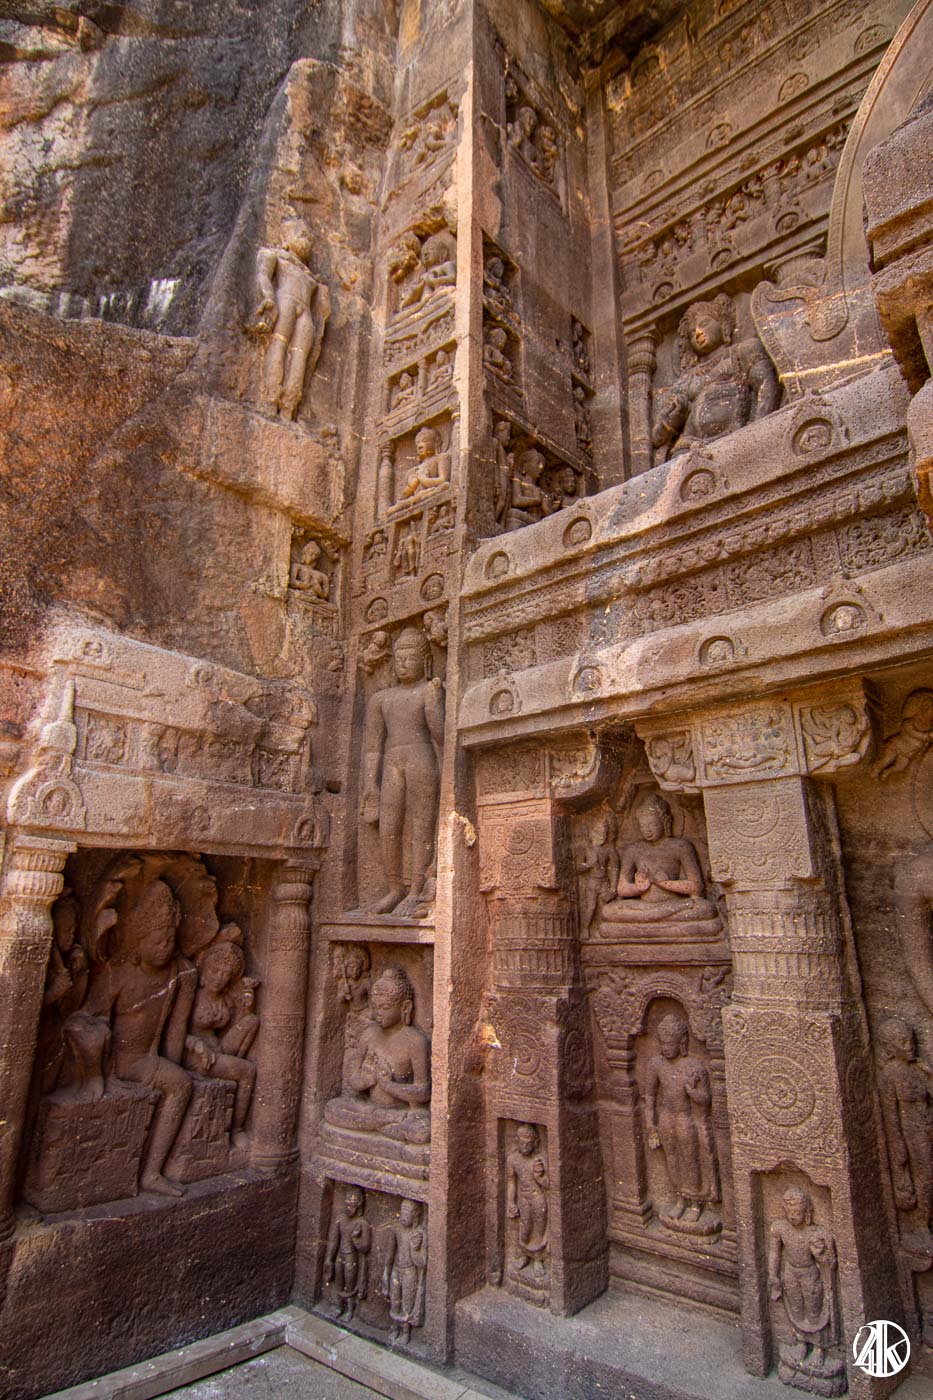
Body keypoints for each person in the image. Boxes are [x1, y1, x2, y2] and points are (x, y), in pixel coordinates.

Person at [82, 879, 197, 1196]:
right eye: (158, 939)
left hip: (149, 1059)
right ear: (139, 938)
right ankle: (151, 1173)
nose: (165, 945)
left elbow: (176, 1030)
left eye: (170, 938)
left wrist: (178, 1062)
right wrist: (96, 1059)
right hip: (123, 1059)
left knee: (179, 1079)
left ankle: (152, 1172)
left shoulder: (182, 973)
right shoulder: (120, 975)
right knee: (180, 1084)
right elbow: (86, 1017)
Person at [359, 629, 444, 916]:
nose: (404, 664)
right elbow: (373, 747)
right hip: (392, 762)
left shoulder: (428, 691)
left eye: (411, 658)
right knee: (389, 825)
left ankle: (417, 890)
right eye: (399, 659)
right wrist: (370, 785)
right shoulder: (381, 699)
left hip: (422, 758)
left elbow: (440, 735)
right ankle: (394, 889)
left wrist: (434, 701)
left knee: (422, 823)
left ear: (426, 661)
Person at [652, 293, 778, 461]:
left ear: (723, 324)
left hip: (735, 436)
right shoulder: (688, 378)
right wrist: (672, 419)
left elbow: (766, 383)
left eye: (704, 324)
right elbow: (657, 436)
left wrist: (758, 428)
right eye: (691, 333)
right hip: (688, 447)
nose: (698, 333)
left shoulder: (742, 353)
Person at [324, 966, 431, 1144]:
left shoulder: (415, 1041)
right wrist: (367, 1079)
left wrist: (388, 1085)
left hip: (403, 1111)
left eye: (385, 1007)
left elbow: (423, 1092)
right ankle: (383, 1122)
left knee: (422, 1132)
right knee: (332, 1108)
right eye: (375, 1007)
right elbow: (353, 1079)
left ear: (405, 1007)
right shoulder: (369, 1035)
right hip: (371, 1109)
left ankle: (379, 1123)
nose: (378, 1013)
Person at [601, 792, 721, 935]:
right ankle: (663, 927)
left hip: (674, 904)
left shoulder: (681, 846)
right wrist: (640, 887)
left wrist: (663, 883)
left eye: (652, 824)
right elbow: (622, 889)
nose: (647, 829)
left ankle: (645, 927)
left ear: (665, 822)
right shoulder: (633, 850)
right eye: (643, 825)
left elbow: (696, 887)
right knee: (609, 910)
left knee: (705, 908)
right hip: (643, 906)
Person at [184, 928, 258, 1152]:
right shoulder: (191, 996)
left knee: (252, 1021)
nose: (219, 978)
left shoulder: (224, 999)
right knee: (247, 1071)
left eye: (225, 974)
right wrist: (195, 1044)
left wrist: (247, 1006)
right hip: (196, 1055)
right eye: (215, 971)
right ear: (204, 969)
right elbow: (174, 1031)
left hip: (218, 1049)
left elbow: (235, 1027)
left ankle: (232, 1066)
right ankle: (237, 1129)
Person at [644, 1010, 720, 1228]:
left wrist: (692, 1092)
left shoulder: (693, 1067)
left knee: (690, 1159)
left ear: (682, 1042)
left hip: (685, 1119)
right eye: (662, 1043)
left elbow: (705, 1099)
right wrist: (651, 1127)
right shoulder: (656, 1064)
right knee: (672, 1159)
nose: (666, 1048)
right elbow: (649, 1096)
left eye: (670, 1043)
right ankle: (680, 1198)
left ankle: (695, 1203)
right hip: (666, 1118)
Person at [252, 222, 330, 421]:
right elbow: (262, 276)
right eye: (300, 233)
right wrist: (268, 298)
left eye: (309, 237)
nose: (306, 240)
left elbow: (322, 309)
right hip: (285, 301)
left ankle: (289, 407)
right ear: (285, 237)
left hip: (305, 313)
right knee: (279, 345)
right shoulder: (274, 255)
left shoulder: (308, 274)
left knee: (300, 357)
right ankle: (270, 400)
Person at [769, 1187, 841, 1380]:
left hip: (809, 1273)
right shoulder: (780, 1229)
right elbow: (774, 1254)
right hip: (790, 1272)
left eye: (797, 1212)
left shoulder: (814, 1234)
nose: (793, 1216)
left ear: (807, 1212)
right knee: (796, 1308)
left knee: (813, 1310)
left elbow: (830, 1262)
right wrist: (773, 1275)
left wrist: (820, 1253)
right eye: (790, 1211)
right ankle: (801, 1341)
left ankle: (819, 1347)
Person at [877, 1016, 933, 1253]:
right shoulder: (890, 1075)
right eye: (902, 1042)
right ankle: (921, 1225)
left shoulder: (919, 1069)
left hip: (927, 1126)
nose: (909, 1046)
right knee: (926, 1178)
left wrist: (929, 1075)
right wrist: (898, 1148)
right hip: (912, 1136)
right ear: (890, 1048)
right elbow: (890, 1116)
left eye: (910, 1040)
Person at [382, 1198, 428, 1346]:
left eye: (406, 1214)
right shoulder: (396, 1229)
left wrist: (414, 1250)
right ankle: (395, 1326)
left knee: (407, 1303)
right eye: (401, 1213)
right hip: (396, 1269)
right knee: (395, 1299)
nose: (403, 1217)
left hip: (409, 1271)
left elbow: (422, 1263)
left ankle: (405, 1330)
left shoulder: (419, 1233)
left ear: (414, 1215)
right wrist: (386, 1272)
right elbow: (390, 1252)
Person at [506, 1123, 549, 1281]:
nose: (525, 1147)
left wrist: (540, 1177)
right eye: (522, 1143)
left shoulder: (537, 1161)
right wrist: (511, 1202)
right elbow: (511, 1182)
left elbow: (548, 1185)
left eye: (528, 1144)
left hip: (537, 1198)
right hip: (523, 1198)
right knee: (524, 1228)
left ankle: (537, 1259)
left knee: (538, 1229)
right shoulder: (513, 1160)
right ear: (516, 1141)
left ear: (535, 1143)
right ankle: (524, 1255)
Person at [324, 1186, 372, 1322]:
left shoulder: (362, 1223)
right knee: (339, 1281)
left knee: (350, 1283)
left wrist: (356, 1240)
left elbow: (365, 1247)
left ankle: (350, 1309)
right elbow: (334, 1241)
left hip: (351, 1257)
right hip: (340, 1255)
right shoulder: (340, 1220)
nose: (349, 1204)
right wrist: (329, 1259)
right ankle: (339, 1306)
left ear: (359, 1203)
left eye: (352, 1201)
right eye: (347, 1200)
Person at [401, 426, 451, 502]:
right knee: (395, 508)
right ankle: (419, 498)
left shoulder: (442, 457)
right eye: (417, 443)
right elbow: (403, 497)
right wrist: (410, 487)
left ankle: (421, 497)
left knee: (445, 486)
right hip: (416, 498)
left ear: (436, 442)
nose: (420, 446)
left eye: (425, 441)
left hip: (433, 492)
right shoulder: (412, 471)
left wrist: (423, 479)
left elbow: (443, 480)